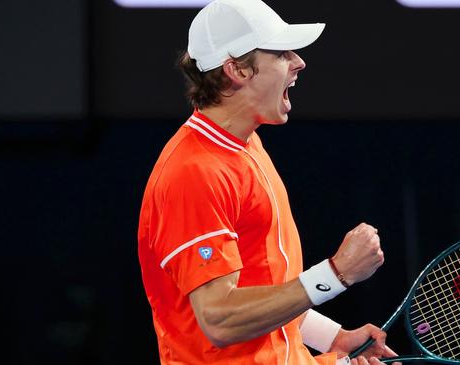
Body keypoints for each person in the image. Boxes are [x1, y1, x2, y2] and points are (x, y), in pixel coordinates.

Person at [137, 1, 401, 364]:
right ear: (237, 70)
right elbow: (221, 319)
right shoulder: (194, 173)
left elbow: (261, 291)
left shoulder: (247, 145)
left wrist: (333, 340)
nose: (298, 62)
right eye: (280, 53)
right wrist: (335, 274)